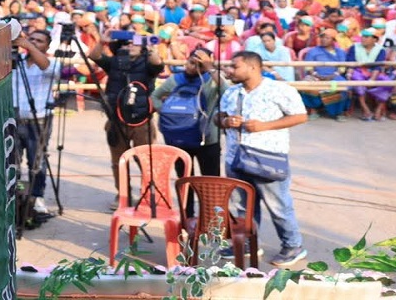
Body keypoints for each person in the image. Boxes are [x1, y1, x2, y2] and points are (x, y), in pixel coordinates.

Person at [217, 51, 308, 268]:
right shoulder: (231, 92)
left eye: (235, 66)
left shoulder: (279, 89)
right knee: (242, 207)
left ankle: (293, 246)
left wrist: (265, 126)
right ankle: (248, 243)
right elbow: (218, 118)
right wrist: (226, 122)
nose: (230, 70)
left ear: (253, 67)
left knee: (278, 206)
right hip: (235, 159)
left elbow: (300, 116)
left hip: (267, 159)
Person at [86, 24, 165, 210]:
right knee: (118, 161)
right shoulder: (115, 61)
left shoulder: (147, 62)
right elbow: (94, 56)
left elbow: (157, 65)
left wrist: (150, 46)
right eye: (127, 43)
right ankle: (122, 194)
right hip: (116, 118)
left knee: (145, 159)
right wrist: (102, 41)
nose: (131, 45)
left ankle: (149, 194)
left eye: (135, 42)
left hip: (141, 119)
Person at [151, 47, 222, 215]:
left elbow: (227, 90)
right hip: (179, 139)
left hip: (207, 140)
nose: (193, 67)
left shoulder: (212, 81)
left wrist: (210, 68)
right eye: (191, 62)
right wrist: (164, 112)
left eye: (199, 64)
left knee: (211, 183)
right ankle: (187, 217)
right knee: (184, 181)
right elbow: (154, 96)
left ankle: (211, 218)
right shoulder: (175, 80)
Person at [12, 29, 58, 216]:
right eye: (31, 39)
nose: (34, 42)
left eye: (39, 41)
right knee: (13, 160)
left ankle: (37, 197)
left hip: (38, 120)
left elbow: (47, 67)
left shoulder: (52, 62)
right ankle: (15, 196)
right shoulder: (15, 62)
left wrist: (28, 45)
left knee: (36, 161)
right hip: (15, 119)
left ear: (47, 46)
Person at [300, 30, 351, 120]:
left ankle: (338, 112)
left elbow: (342, 68)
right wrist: (316, 75)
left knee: (342, 86)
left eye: (327, 38)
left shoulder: (340, 52)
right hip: (315, 75)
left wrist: (332, 76)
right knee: (305, 84)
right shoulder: (313, 51)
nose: (323, 39)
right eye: (322, 37)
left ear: (333, 40)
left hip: (334, 76)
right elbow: (308, 67)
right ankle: (314, 109)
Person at [347, 30, 394, 121]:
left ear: (374, 39)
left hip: (374, 72)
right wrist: (349, 75)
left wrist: (372, 79)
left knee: (388, 83)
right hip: (358, 70)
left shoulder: (380, 49)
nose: (363, 39)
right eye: (363, 36)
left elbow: (378, 66)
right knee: (357, 81)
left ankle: (378, 109)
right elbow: (351, 63)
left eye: (366, 37)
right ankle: (365, 108)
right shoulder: (354, 47)